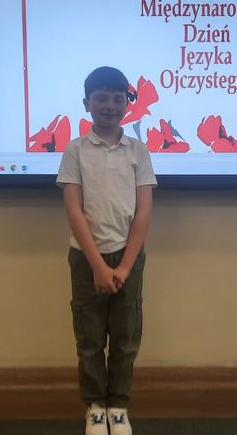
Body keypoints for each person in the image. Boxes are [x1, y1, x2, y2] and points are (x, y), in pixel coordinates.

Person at [56, 66, 156, 435]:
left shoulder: (138, 151)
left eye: (118, 98)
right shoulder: (75, 150)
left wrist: (125, 267)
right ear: (87, 103)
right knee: (90, 339)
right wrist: (98, 265)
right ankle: (95, 407)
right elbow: (73, 210)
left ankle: (118, 406)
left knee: (126, 338)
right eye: (101, 97)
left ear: (127, 103)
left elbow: (143, 212)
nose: (110, 105)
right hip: (87, 260)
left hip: (128, 258)